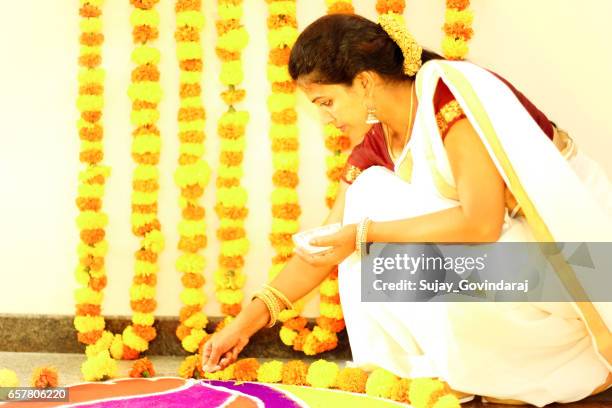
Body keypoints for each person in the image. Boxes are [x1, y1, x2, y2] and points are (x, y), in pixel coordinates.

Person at [201, 13, 612, 406]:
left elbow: (482, 223)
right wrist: (240, 327)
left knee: (370, 205)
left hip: (577, 268)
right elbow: (323, 247)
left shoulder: (448, 99)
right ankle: (442, 373)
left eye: (327, 102)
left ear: (363, 82)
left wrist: (364, 233)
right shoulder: (377, 145)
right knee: (367, 205)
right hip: (510, 274)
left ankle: (546, 360)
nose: (326, 119)